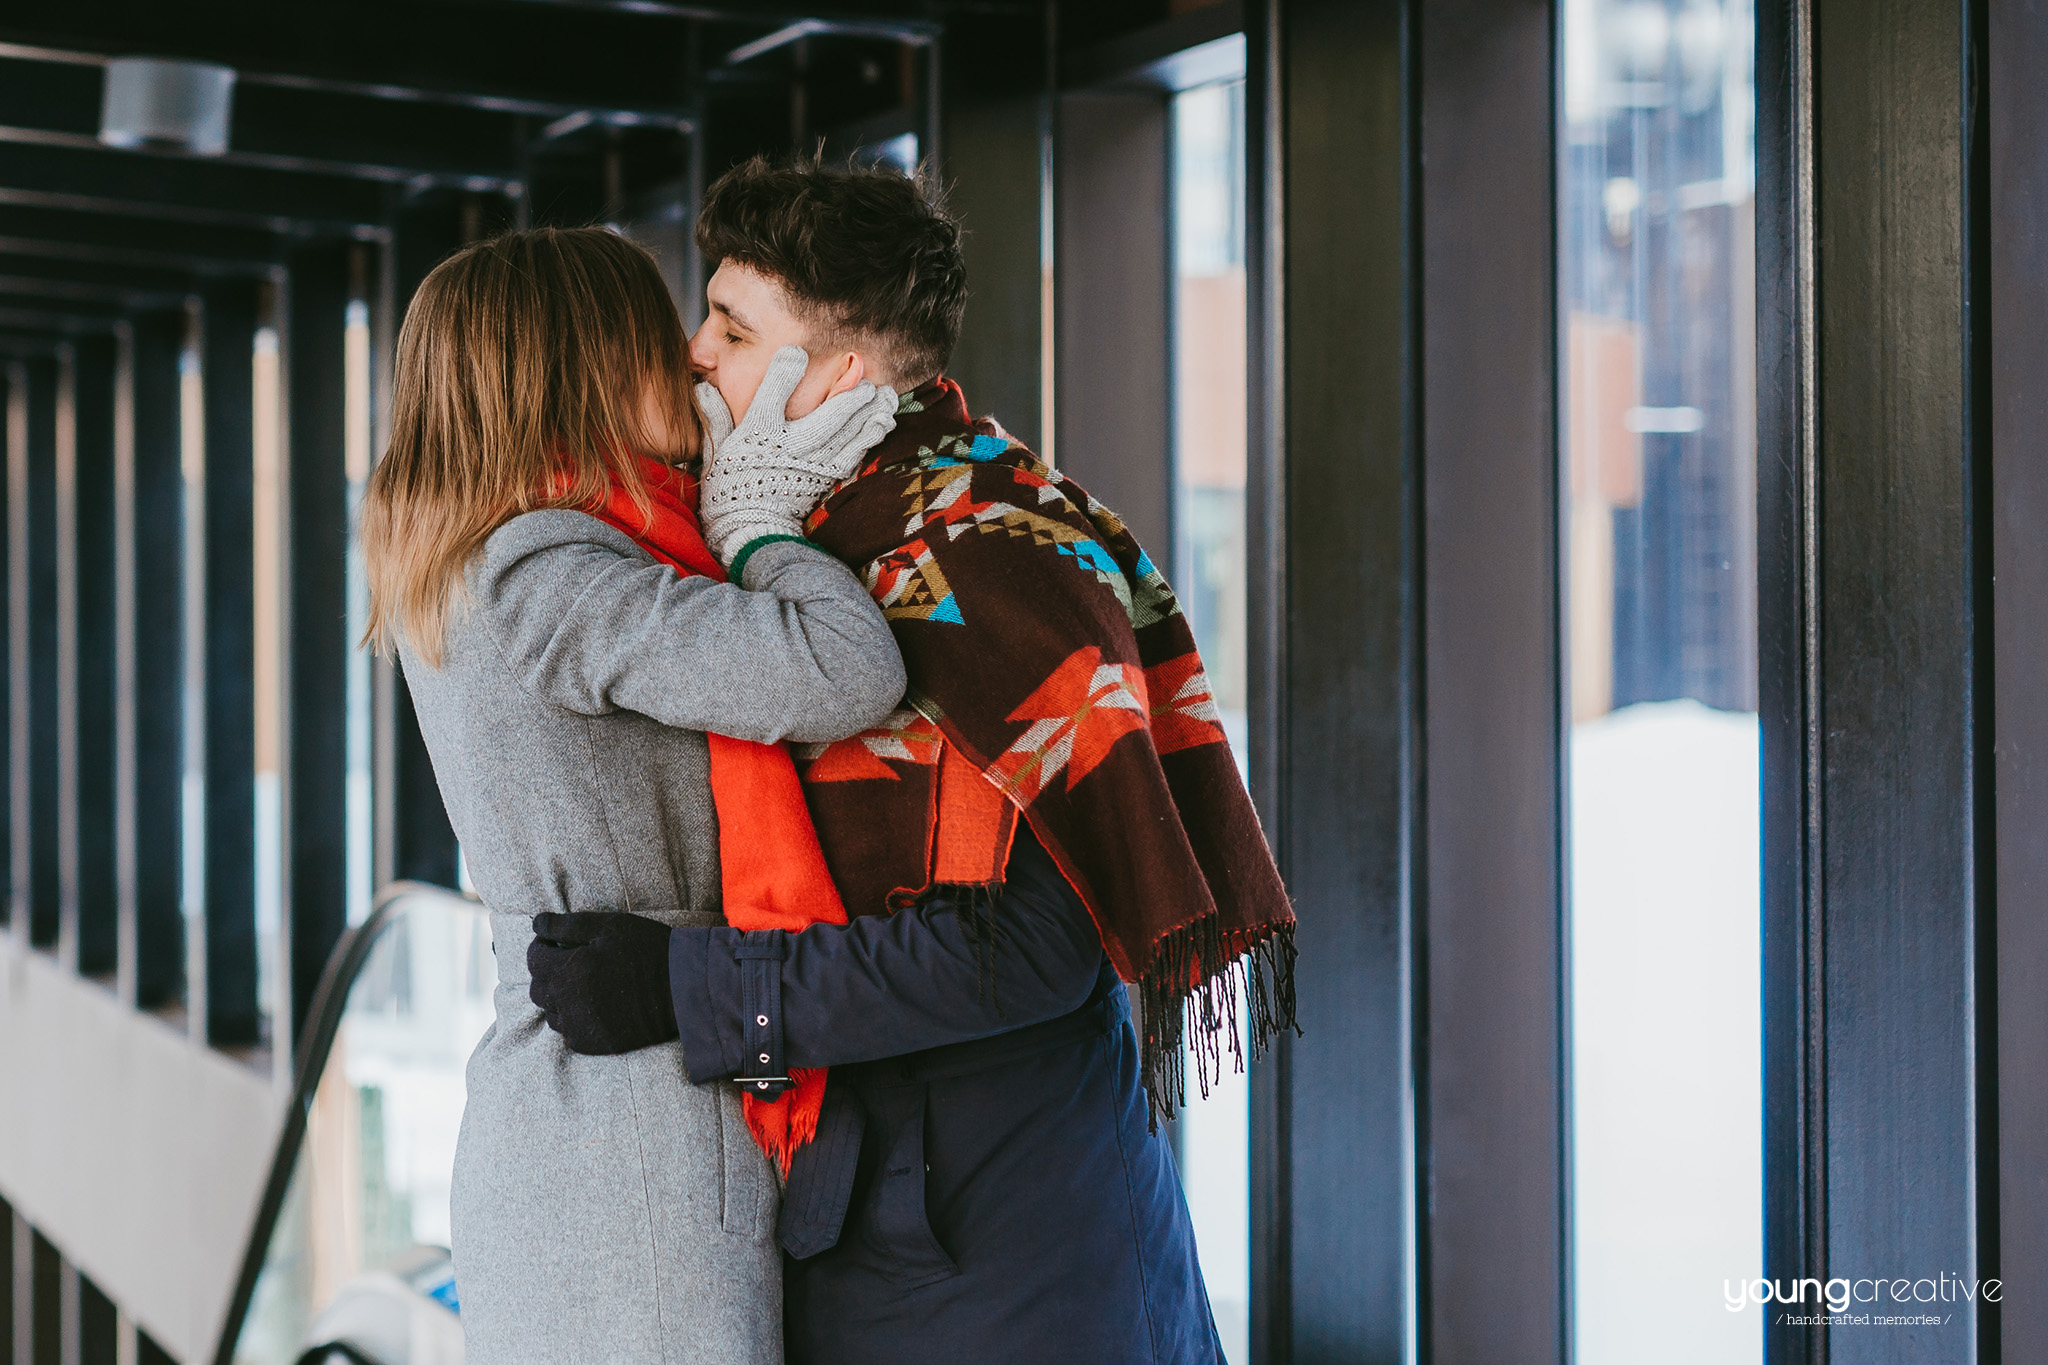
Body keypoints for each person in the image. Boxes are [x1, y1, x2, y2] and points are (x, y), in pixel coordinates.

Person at [527, 159, 1298, 1364]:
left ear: (834, 375)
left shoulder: (992, 556)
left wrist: (687, 990)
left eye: (731, 329)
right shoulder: (823, 542)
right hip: (891, 1228)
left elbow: (1034, 950)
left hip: (1012, 1268)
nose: (692, 352)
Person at [359, 225, 907, 1364]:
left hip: (583, 1126)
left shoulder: (479, 563)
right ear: (587, 366)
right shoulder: (549, 574)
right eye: (661, 335)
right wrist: (756, 521)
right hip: (633, 1144)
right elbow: (845, 668)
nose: (693, 357)